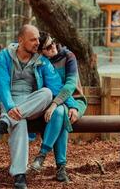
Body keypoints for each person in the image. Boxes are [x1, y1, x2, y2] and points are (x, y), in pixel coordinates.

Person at [0, 25, 78, 189]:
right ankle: (19, 175)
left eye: (38, 39)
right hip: (11, 101)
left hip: (32, 102)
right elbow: (2, 84)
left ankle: (4, 123)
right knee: (20, 122)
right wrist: (10, 107)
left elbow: (56, 86)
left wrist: (73, 106)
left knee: (45, 93)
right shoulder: (4, 56)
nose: (37, 43)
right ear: (20, 40)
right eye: (33, 40)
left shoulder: (41, 61)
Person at [30, 31, 87, 182]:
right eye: (48, 47)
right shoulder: (41, 63)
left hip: (74, 100)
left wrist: (56, 104)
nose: (53, 47)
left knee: (61, 113)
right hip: (51, 102)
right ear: (40, 51)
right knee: (60, 114)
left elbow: (70, 85)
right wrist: (52, 104)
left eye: (53, 42)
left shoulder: (69, 56)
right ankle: (61, 168)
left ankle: (42, 155)